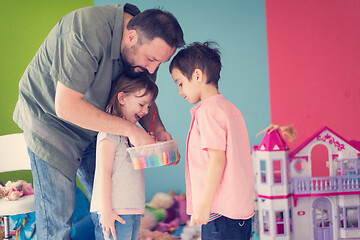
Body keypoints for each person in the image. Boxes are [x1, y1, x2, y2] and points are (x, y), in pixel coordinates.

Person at [12, 3, 184, 239]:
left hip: (99, 123)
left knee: (113, 210)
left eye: (160, 64)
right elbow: (67, 106)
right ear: (131, 36)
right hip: (51, 120)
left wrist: (159, 130)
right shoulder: (84, 31)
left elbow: (142, 94)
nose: (153, 69)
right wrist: (130, 131)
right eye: (151, 59)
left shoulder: (142, 50)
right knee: (58, 219)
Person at [169, 42, 255, 240]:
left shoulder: (207, 111)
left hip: (219, 212)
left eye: (180, 83)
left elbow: (218, 159)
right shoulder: (230, 109)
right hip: (239, 211)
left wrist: (204, 205)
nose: (180, 92)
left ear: (197, 76)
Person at [90, 72, 158, 240]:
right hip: (115, 210)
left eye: (149, 106)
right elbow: (103, 173)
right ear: (122, 98)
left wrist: (152, 146)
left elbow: (140, 163)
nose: (145, 111)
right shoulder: (109, 131)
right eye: (142, 104)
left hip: (133, 208)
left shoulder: (133, 134)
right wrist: (106, 211)